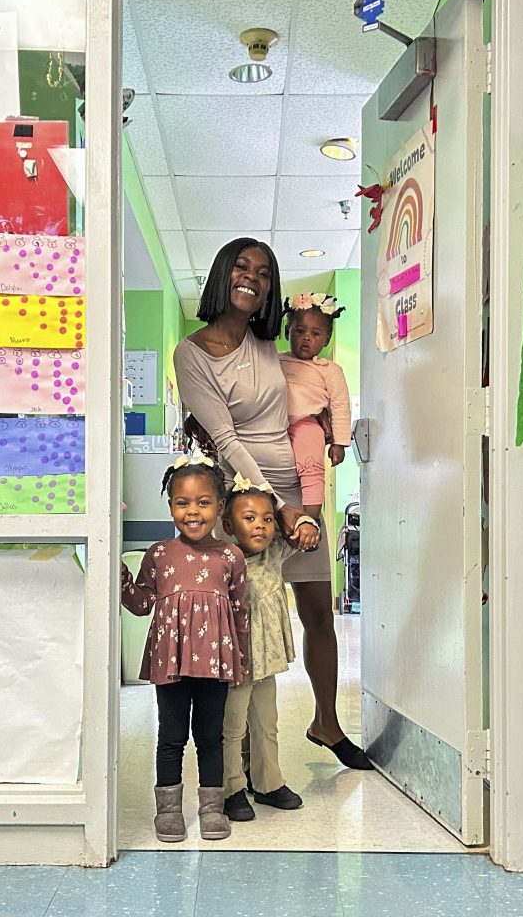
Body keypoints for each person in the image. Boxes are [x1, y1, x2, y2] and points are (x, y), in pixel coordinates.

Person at [173, 236, 373, 771]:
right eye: (242, 267)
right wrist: (269, 502)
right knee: (242, 621)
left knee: (317, 613)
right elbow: (226, 437)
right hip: (244, 499)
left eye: (264, 273)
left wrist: (330, 441)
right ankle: (237, 757)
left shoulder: (268, 344)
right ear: (221, 273)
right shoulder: (190, 353)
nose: (253, 278)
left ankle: (326, 723)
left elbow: (313, 395)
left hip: (301, 493)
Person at [120, 455, 249, 843]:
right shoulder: (159, 554)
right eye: (182, 503)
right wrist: (118, 573)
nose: (192, 512)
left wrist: (239, 659)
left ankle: (212, 808)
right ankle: (169, 810)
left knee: (210, 736)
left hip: (215, 663)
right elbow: (142, 603)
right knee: (171, 736)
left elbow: (241, 612)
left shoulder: (231, 557)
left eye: (203, 502)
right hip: (169, 662)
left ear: (220, 507)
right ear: (171, 505)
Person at [219, 476, 314, 821]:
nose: (259, 525)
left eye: (267, 518)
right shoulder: (221, 560)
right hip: (234, 663)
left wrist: (300, 520)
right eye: (249, 518)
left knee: (266, 722)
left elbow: (305, 535)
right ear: (228, 525)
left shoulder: (274, 553)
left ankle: (268, 782)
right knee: (231, 728)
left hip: (267, 660)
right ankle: (230, 788)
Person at [279, 293, 351, 521]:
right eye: (299, 331)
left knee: (310, 468)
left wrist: (339, 443)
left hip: (307, 424)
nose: (306, 338)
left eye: (315, 333)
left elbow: (340, 406)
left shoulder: (330, 370)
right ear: (286, 332)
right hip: (273, 424)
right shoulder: (276, 360)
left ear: (327, 339)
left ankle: (309, 516)